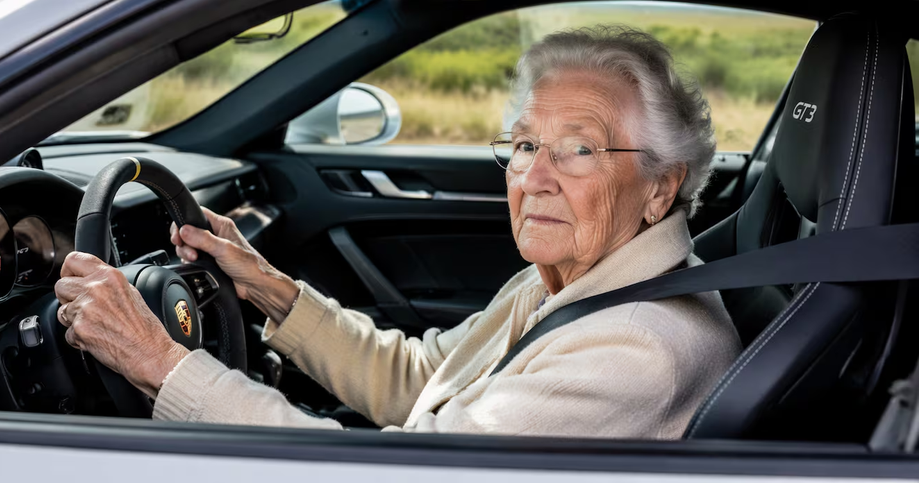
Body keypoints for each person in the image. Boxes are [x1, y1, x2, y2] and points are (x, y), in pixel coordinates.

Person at [54, 27, 742, 438]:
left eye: (580, 149)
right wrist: (270, 290)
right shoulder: (573, 281)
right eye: (527, 145)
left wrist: (157, 361)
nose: (533, 179)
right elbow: (424, 379)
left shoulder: (638, 350)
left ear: (661, 187)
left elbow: (399, 473)